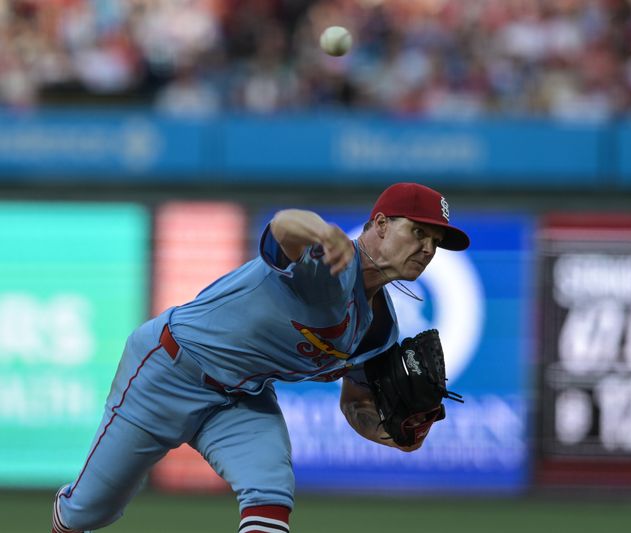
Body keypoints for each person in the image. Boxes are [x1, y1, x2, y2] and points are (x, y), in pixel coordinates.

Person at [52, 182, 470, 533]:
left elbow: (356, 400)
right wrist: (321, 231)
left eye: (435, 242)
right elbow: (283, 227)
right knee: (88, 511)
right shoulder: (331, 265)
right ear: (380, 224)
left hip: (240, 398)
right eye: (418, 232)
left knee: (270, 493)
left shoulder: (380, 329)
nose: (427, 248)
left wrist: (387, 432)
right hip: (169, 372)